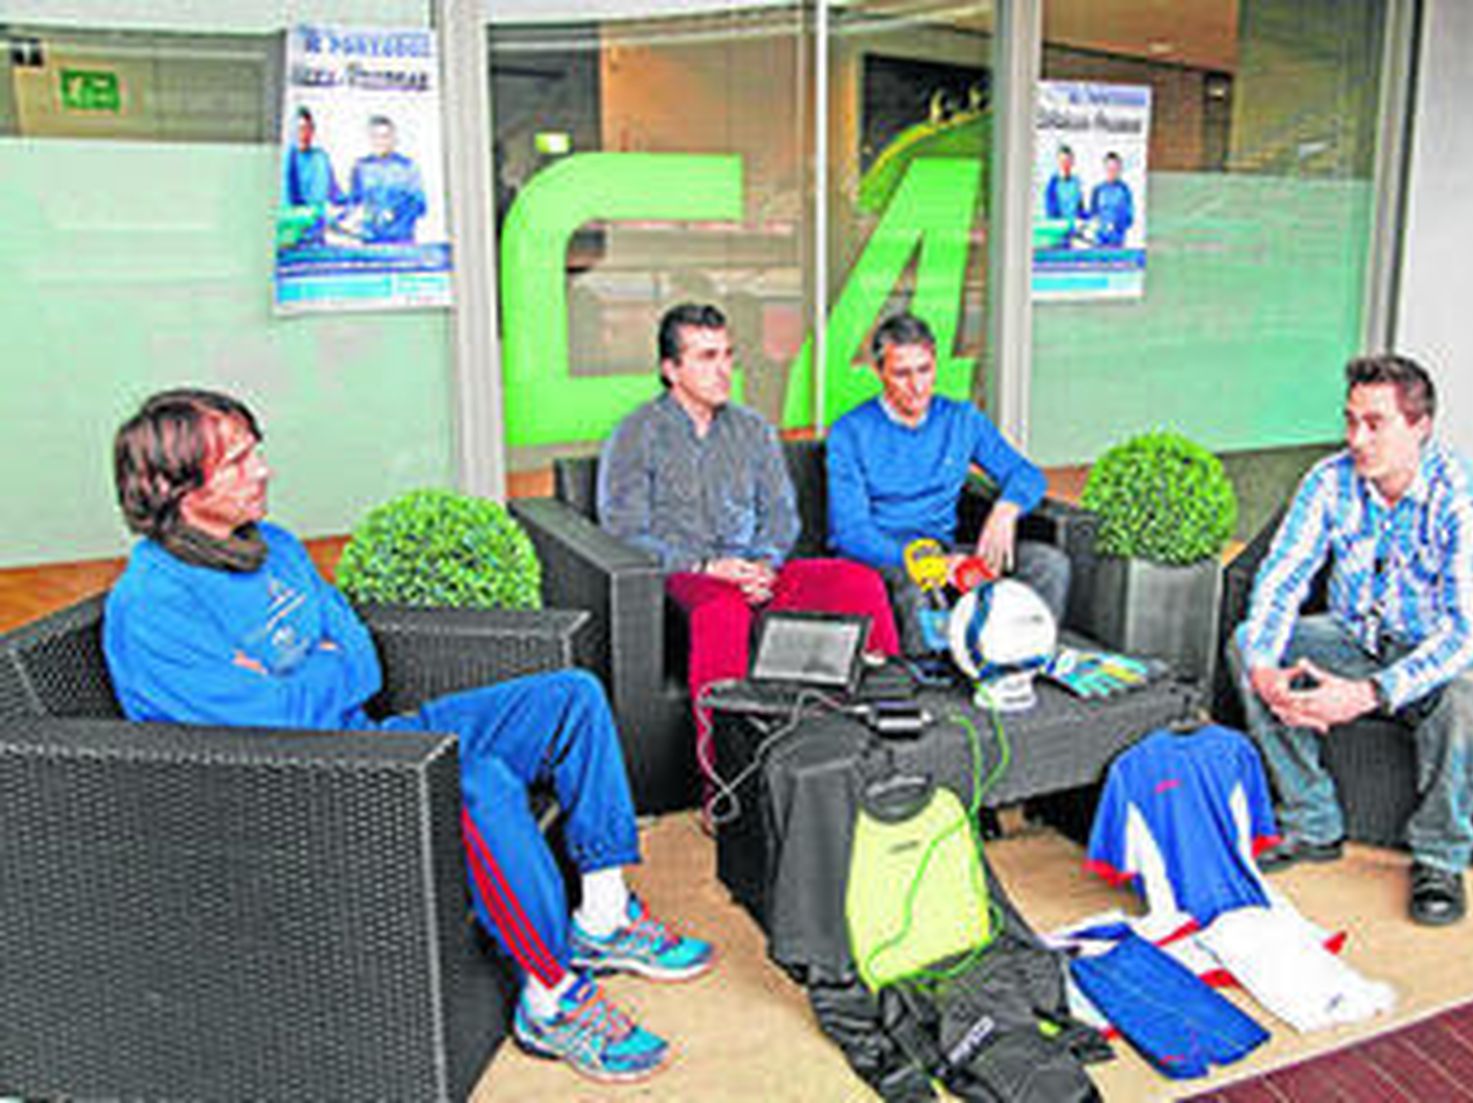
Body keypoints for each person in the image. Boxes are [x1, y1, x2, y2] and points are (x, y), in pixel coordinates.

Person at [102, 389, 712, 1084]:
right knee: (476, 781)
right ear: (176, 489)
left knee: (570, 698)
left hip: (373, 741)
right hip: (299, 797)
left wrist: (301, 673)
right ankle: (550, 998)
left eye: (255, 451)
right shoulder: (152, 606)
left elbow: (360, 660)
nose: (262, 470)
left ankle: (602, 917)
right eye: (237, 462)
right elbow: (275, 726)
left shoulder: (274, 546)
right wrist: (319, 667)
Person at [1229, 355, 1473, 927]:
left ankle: (1440, 857)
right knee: (1247, 642)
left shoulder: (1461, 496)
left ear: (1420, 425)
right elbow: (1282, 576)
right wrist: (1264, 670)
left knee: (1472, 692)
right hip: (1354, 638)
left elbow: (1470, 631)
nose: (1357, 439)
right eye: (1351, 420)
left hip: (1437, 652)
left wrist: (1367, 694)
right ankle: (1312, 821)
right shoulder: (1327, 481)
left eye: (1375, 423)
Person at [598, 303, 900, 777]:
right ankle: (727, 785)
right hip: (684, 577)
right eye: (707, 357)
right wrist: (705, 567)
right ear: (671, 369)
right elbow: (623, 529)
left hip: (757, 570)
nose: (724, 369)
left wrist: (764, 564)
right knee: (722, 612)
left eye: (727, 354)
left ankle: (888, 751)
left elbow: (782, 514)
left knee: (856, 583)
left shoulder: (753, 429)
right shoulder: (636, 434)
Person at [826, 312, 1071, 655]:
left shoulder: (961, 419)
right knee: (914, 588)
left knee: (1047, 564)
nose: (917, 386)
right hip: (885, 559)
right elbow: (851, 534)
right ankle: (931, 677)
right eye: (902, 374)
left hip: (946, 552)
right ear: (879, 372)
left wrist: (1006, 509)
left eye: (924, 370)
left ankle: (1023, 659)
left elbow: (1026, 475)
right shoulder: (850, 432)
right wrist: (930, 565)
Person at [343, 114, 427, 244]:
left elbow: (420, 205)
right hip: (371, 240)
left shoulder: (407, 167)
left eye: (385, 137)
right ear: (370, 139)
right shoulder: (361, 167)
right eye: (376, 137)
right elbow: (354, 202)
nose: (380, 142)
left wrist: (397, 213)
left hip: (402, 239)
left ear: (393, 139)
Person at [282, 106, 343, 244]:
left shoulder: (320, 158)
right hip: (291, 236)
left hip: (318, 236)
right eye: (298, 129)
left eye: (307, 129)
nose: (303, 135)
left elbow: (336, 196)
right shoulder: (286, 159)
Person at [1087, 152, 1135, 248]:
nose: (1112, 172)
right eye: (1109, 169)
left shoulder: (1124, 190)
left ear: (1119, 169)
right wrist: (1101, 227)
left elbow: (1129, 218)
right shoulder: (1098, 190)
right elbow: (1092, 215)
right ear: (1105, 169)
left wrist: (1117, 226)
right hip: (1099, 242)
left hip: (1118, 242)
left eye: (1115, 169)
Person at [1043, 143, 1086, 247]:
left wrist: (1087, 221)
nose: (1065, 164)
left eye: (1068, 161)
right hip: (1059, 233)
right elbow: (1051, 213)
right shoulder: (1053, 184)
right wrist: (1064, 226)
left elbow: (1080, 208)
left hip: (1074, 232)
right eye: (1062, 161)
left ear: (1072, 162)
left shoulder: (1076, 182)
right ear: (1058, 162)